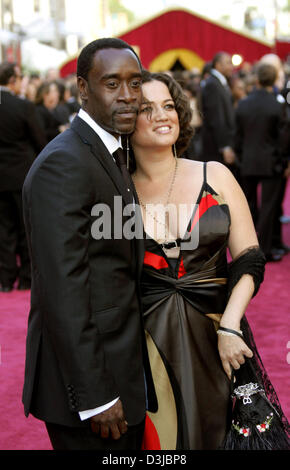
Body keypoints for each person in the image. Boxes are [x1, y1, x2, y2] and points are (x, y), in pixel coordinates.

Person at [129, 71, 289, 450]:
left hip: (220, 338)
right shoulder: (115, 190)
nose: (161, 115)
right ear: (125, 119)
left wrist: (231, 324)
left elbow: (250, 258)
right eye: (146, 108)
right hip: (147, 347)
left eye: (168, 106)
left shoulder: (214, 174)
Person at [22, 38, 157, 451]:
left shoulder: (109, 150)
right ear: (83, 88)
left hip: (118, 367)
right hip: (89, 391)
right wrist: (96, 394)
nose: (128, 96)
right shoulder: (64, 163)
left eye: (136, 84)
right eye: (112, 83)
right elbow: (63, 291)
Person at [0, 62, 46, 292]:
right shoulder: (23, 106)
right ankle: (27, 278)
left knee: (3, 229)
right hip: (22, 176)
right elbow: (39, 141)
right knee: (25, 227)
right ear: (12, 80)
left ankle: (6, 279)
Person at [235, 63, 287, 262]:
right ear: (274, 80)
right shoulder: (277, 104)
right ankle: (264, 249)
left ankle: (246, 247)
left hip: (247, 161)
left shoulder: (244, 103)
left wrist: (240, 155)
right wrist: (283, 160)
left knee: (248, 205)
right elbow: (282, 137)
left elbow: (238, 136)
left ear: (257, 79)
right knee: (268, 207)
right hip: (271, 163)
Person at [200, 52, 236, 171]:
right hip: (216, 147)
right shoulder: (213, 84)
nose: (231, 66)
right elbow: (216, 118)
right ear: (218, 65)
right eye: (228, 63)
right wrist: (224, 146)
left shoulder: (218, 82)